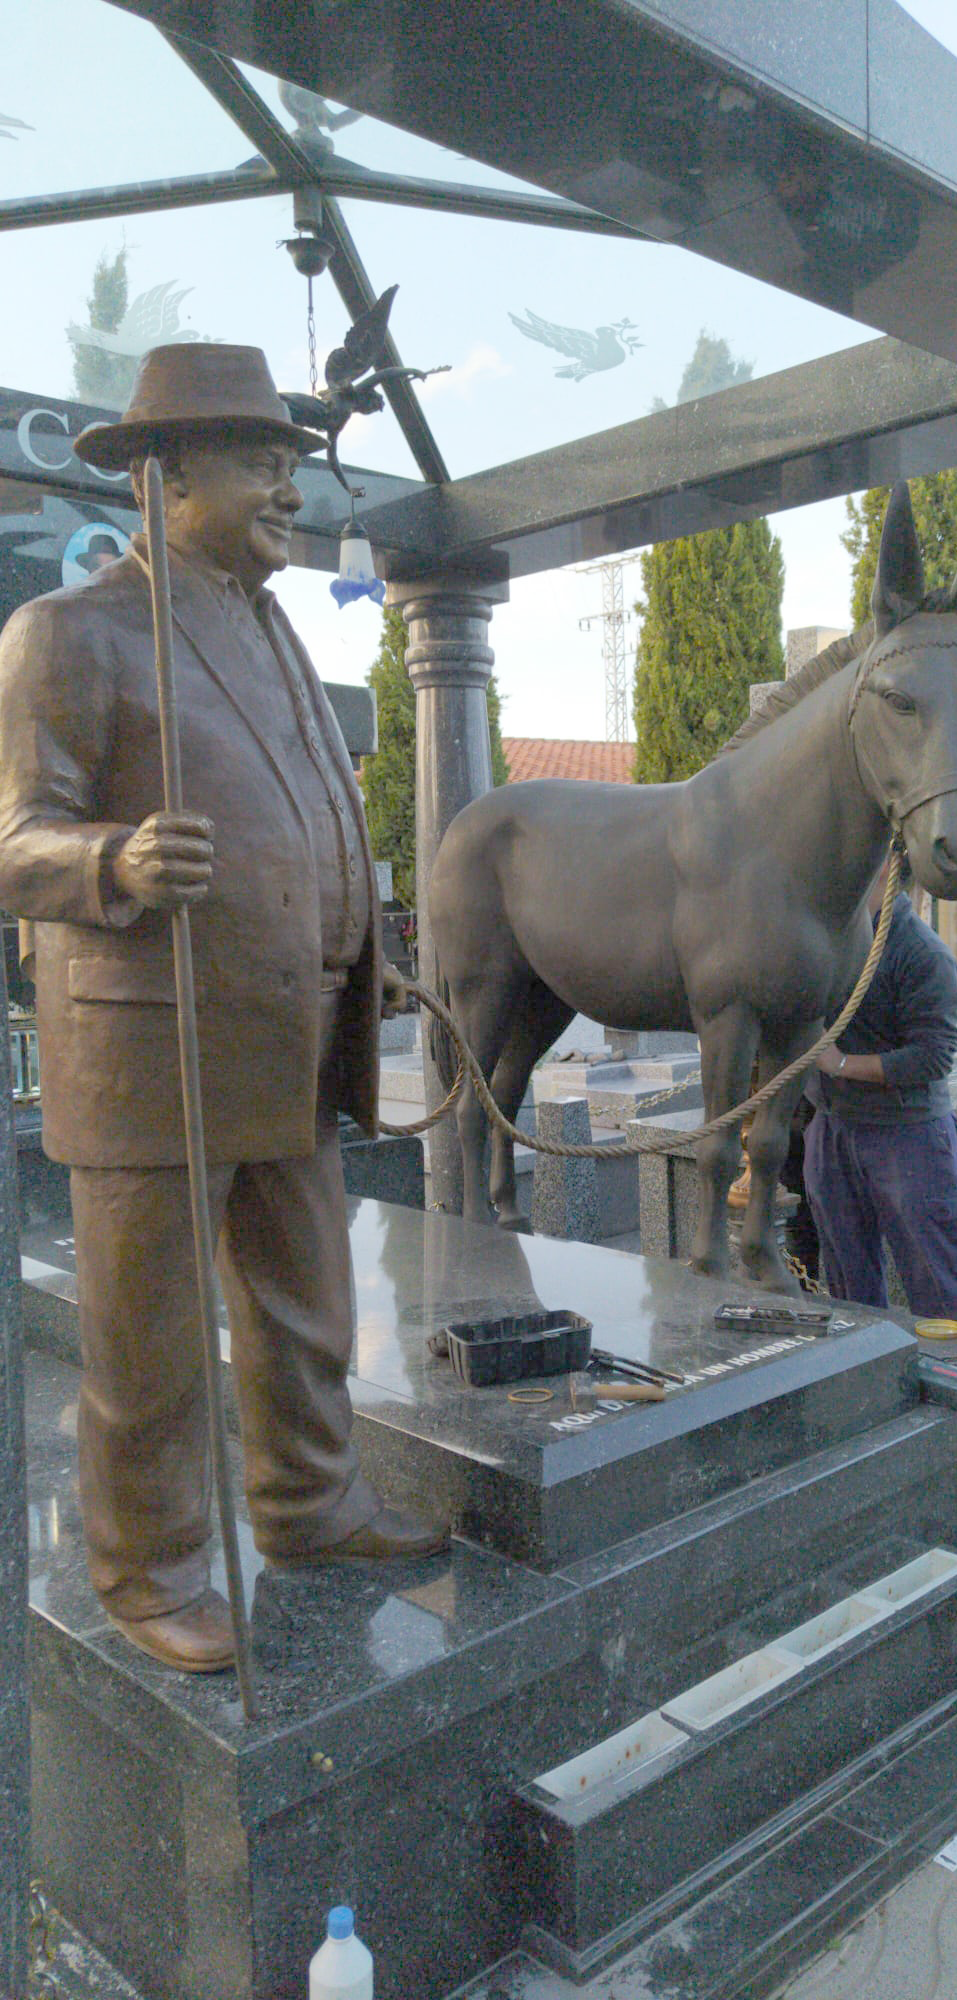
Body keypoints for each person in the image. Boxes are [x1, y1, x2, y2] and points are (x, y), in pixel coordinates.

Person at [0, 342, 447, 1675]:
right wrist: (109, 862)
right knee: (145, 1342)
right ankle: (149, 1569)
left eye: (289, 465)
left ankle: (309, 1503)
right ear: (167, 473)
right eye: (259, 464)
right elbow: (14, 836)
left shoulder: (273, 632)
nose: (286, 491)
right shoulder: (69, 635)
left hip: (289, 1037)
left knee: (307, 1302)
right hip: (153, 1044)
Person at [802, 852, 957, 1324]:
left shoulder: (924, 952)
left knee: (941, 1289)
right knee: (847, 1290)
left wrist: (838, 1063)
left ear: (885, 867)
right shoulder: (833, 937)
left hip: (908, 1139)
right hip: (832, 1130)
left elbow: (933, 1056)